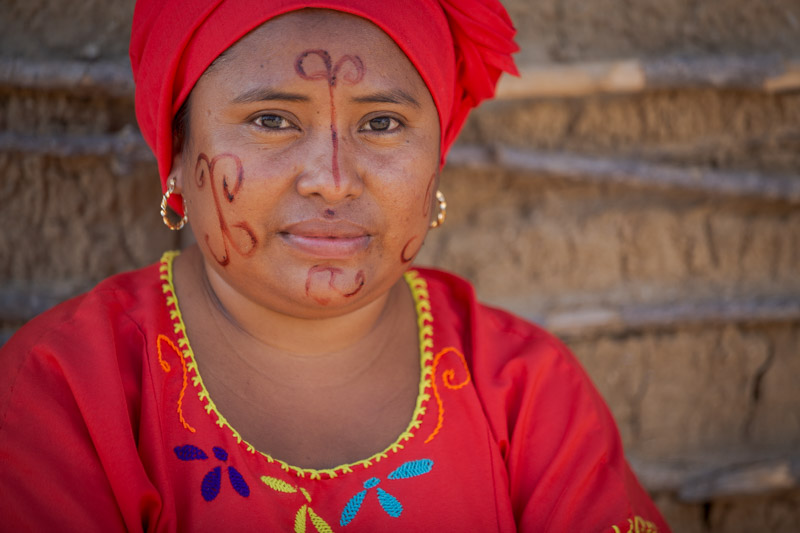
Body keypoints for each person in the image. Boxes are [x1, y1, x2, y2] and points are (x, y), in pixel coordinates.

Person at [0, 0, 670, 531]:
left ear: (437, 159)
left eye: (381, 123)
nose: (333, 179)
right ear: (175, 151)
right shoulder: (68, 393)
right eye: (270, 119)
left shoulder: (524, 392)